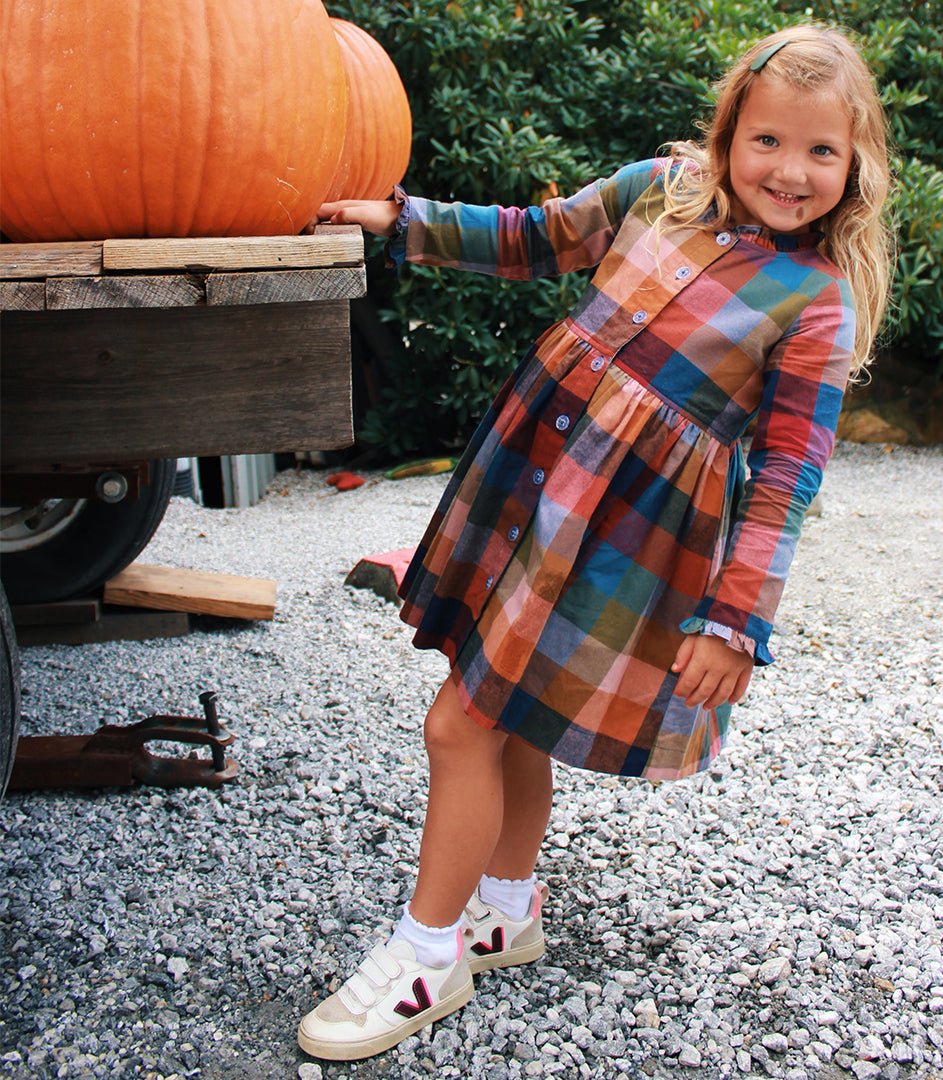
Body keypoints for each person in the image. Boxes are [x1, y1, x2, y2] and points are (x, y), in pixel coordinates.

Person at [297, 22, 893, 1062]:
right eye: (767, 141)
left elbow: (790, 477)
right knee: (508, 709)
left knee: (461, 724)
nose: (789, 172)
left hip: (629, 538)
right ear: (727, 134)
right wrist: (404, 221)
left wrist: (736, 617)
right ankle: (504, 907)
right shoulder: (657, 188)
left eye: (821, 152)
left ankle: (425, 955)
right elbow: (534, 237)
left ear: (856, 165)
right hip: (540, 477)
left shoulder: (816, 304)